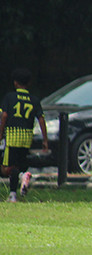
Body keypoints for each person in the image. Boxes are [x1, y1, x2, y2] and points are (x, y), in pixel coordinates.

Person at [0, 68, 48, 202]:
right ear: (29, 83)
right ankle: (15, 191)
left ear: (15, 83)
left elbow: (4, 115)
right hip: (26, 137)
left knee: (6, 169)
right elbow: (41, 119)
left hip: (12, 136)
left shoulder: (10, 97)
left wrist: (0, 132)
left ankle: (19, 183)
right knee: (18, 165)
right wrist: (45, 139)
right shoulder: (34, 100)